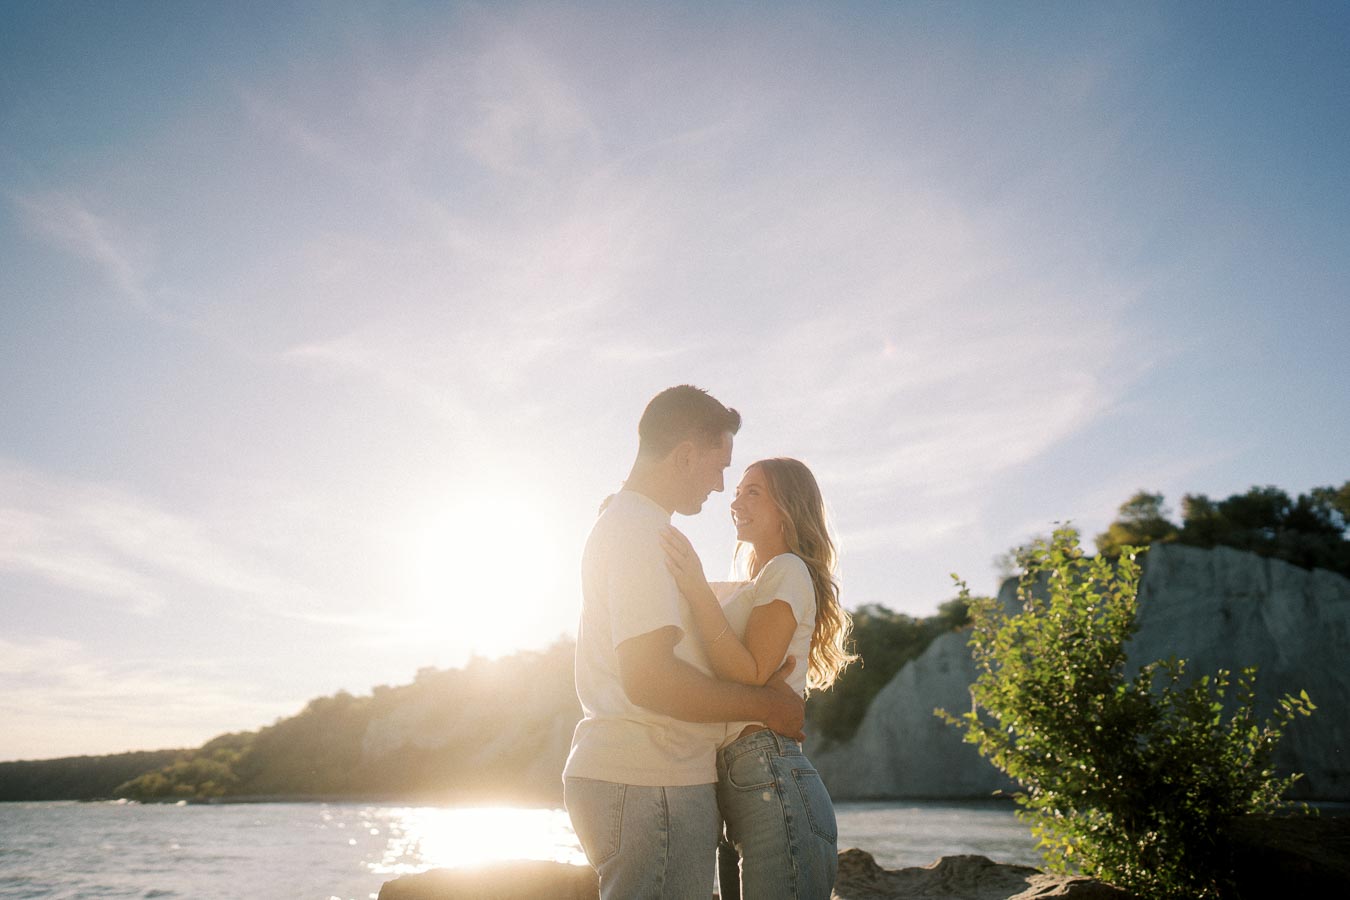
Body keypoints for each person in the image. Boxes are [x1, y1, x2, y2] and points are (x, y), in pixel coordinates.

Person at [563, 386, 807, 899]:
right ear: (686, 455)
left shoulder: (632, 524)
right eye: (720, 467)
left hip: (645, 783)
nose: (722, 488)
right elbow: (651, 679)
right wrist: (768, 705)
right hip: (650, 782)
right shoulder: (637, 531)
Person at [662, 457, 855, 900]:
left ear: (788, 507)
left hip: (770, 770)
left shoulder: (787, 569)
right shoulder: (753, 583)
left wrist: (694, 585)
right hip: (744, 778)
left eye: (754, 492)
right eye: (737, 491)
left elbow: (748, 671)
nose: (736, 500)